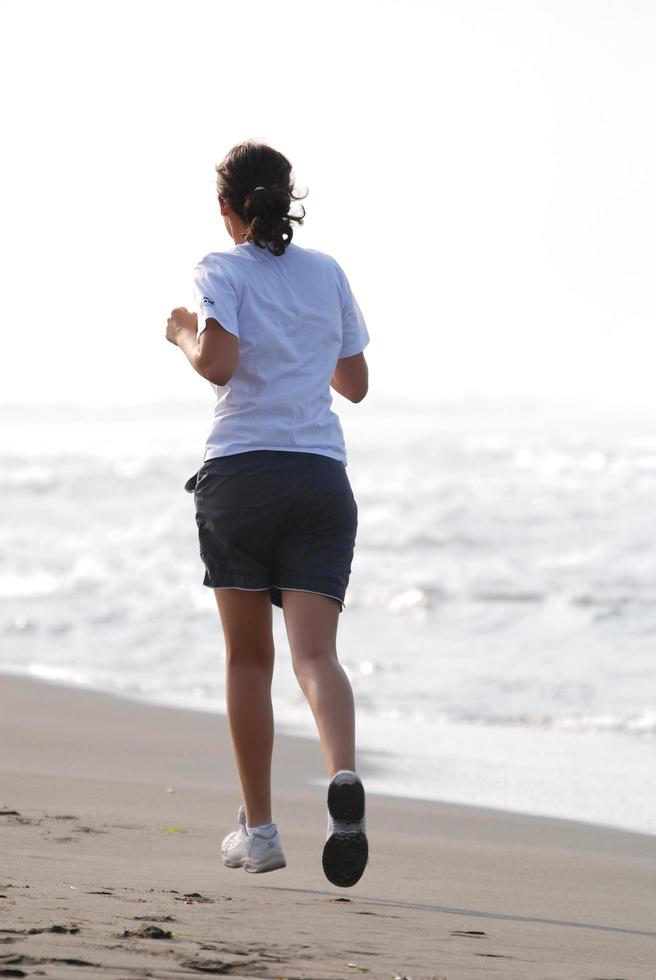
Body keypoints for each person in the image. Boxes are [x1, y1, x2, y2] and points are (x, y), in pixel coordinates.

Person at [165, 139, 370, 888]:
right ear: (289, 198)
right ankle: (341, 778)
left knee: (250, 660)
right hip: (319, 477)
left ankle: (260, 831)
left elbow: (216, 364)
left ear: (228, 210)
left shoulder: (220, 270)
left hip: (244, 474)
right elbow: (355, 382)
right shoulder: (327, 272)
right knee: (317, 657)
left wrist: (185, 331)